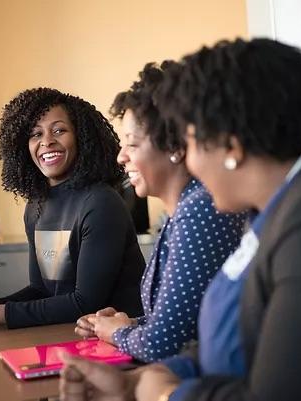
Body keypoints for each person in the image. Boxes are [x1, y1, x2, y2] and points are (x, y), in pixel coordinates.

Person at [59, 38, 301, 401]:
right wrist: (147, 378)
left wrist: (167, 395)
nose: (190, 164)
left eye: (192, 142)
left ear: (231, 146)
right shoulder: (290, 200)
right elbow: (241, 333)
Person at [74, 63, 246, 362]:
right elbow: (185, 324)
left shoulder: (199, 211)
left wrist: (116, 333)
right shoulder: (181, 212)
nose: (121, 156)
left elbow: (163, 345)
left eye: (132, 144)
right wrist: (126, 325)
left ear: (175, 147)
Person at [0, 88, 145, 331]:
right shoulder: (36, 206)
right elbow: (41, 290)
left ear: (81, 137)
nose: (46, 141)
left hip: (118, 341)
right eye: (35, 134)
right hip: (63, 332)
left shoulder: (100, 203)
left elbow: (85, 302)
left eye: (59, 130)